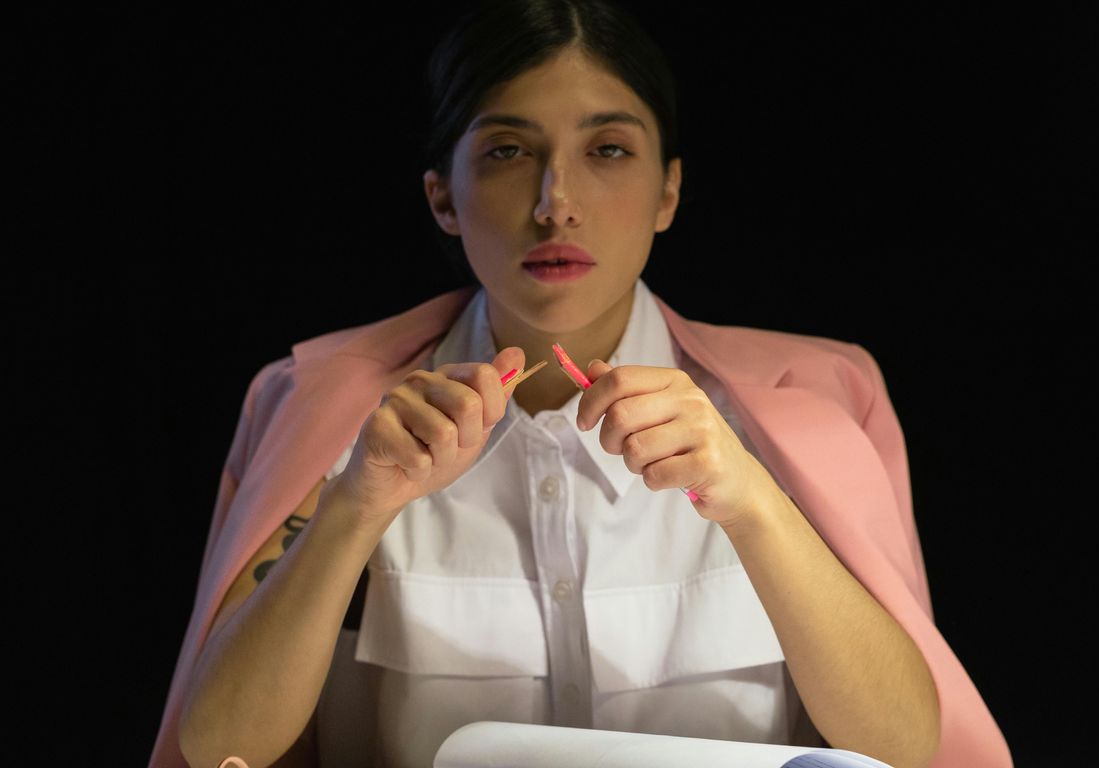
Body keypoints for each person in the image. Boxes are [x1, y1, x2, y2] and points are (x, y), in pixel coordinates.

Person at [150, 1, 1012, 767]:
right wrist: (355, 507)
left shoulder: (821, 400)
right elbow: (217, 745)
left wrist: (751, 497)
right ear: (442, 199)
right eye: (506, 151)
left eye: (607, 149)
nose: (556, 202)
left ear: (669, 187)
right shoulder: (319, 408)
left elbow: (904, 749)